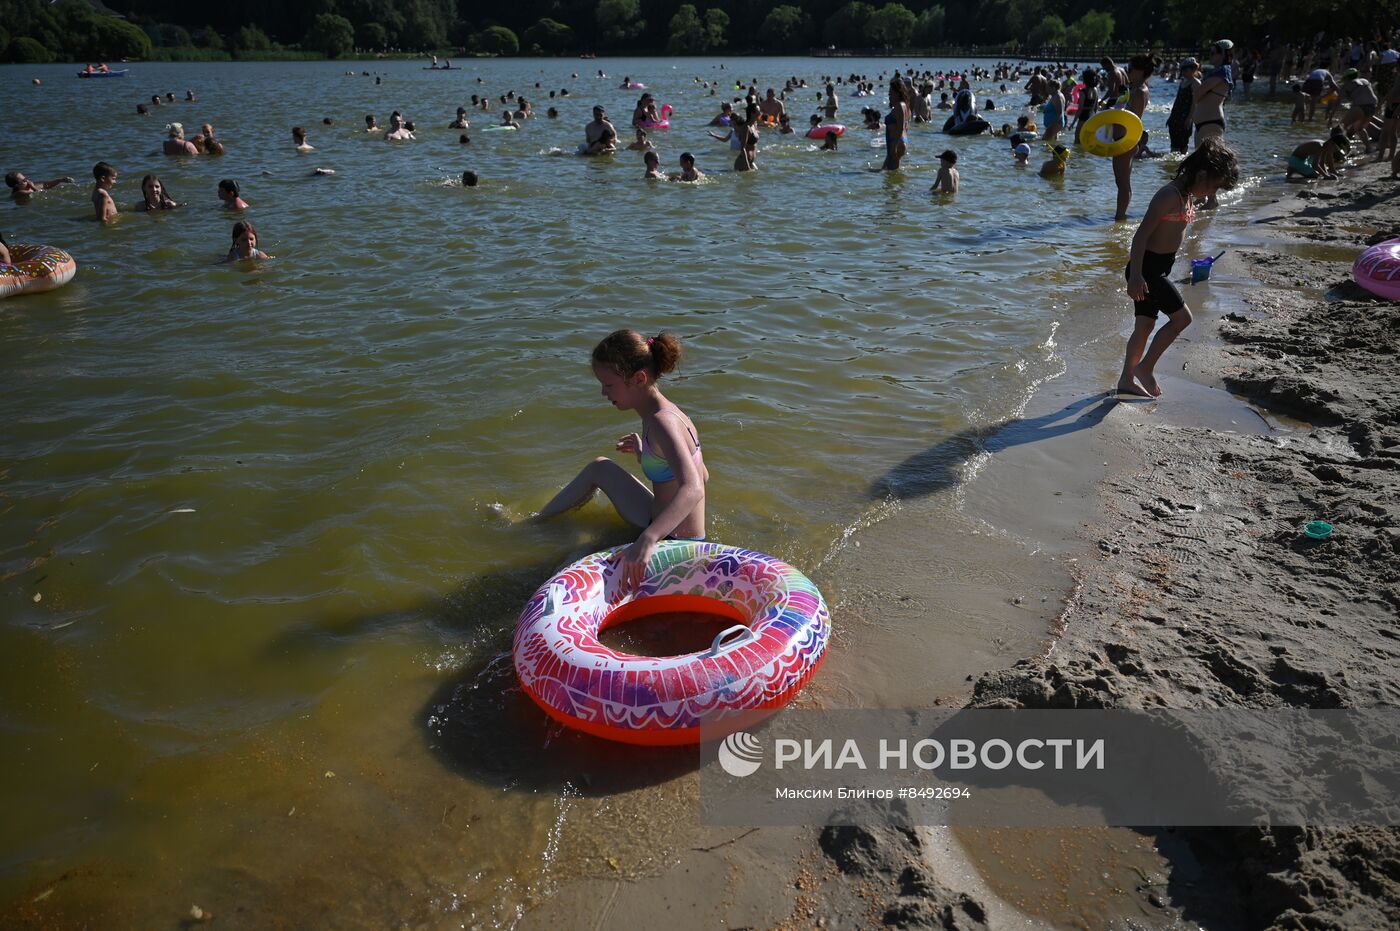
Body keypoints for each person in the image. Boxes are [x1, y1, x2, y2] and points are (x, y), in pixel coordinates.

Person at [535, 330, 708, 591]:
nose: (603, 392)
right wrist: (647, 455)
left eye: (609, 384)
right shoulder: (666, 413)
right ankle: (538, 523)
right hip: (662, 523)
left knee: (568, 565)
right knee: (600, 468)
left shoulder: (663, 422)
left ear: (638, 378)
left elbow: (694, 487)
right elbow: (703, 473)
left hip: (676, 543)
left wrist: (648, 540)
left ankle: (540, 531)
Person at [1119, 139, 1240, 398]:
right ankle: (1145, 368)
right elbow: (1140, 237)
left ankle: (1126, 380)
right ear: (1201, 173)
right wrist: (1137, 276)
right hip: (1147, 269)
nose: (1210, 194)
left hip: (1158, 269)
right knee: (1182, 319)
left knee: (1144, 327)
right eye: (1212, 187)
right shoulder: (1169, 195)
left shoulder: (1187, 195)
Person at [1113, 54, 1161, 221]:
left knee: (1123, 182)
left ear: (1141, 71)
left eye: (1130, 69)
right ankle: (1120, 216)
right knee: (1120, 182)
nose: (1127, 72)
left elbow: (1135, 119)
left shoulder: (1140, 92)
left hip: (1126, 140)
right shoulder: (1133, 88)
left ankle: (1119, 218)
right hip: (1120, 140)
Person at [1193, 40, 1234, 147]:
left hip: (1210, 123)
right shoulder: (1217, 71)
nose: (1210, 56)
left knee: (1208, 162)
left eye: (1213, 53)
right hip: (1205, 123)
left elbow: (1197, 94)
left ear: (1222, 54)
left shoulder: (1223, 71)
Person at [1284, 129, 1349, 179]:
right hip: (1295, 160)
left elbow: (1322, 163)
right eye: (1335, 149)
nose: (1333, 151)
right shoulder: (1319, 146)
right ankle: (1293, 169)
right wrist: (1326, 176)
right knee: (1315, 175)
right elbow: (1315, 165)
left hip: (1305, 159)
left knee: (1319, 173)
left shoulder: (1325, 146)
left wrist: (1327, 175)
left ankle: (1296, 169)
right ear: (1331, 143)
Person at [1166, 59, 1199, 153]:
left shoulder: (1196, 83)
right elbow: (1177, 100)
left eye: (1186, 70)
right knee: (1174, 144)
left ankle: (1182, 162)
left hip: (1185, 117)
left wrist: (1189, 118)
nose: (1183, 72)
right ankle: (1172, 165)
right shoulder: (1183, 82)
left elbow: (1195, 103)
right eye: (1182, 70)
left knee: (1183, 143)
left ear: (1193, 69)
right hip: (1175, 116)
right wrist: (1171, 117)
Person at [882, 76, 912, 171]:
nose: (889, 97)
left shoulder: (900, 106)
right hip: (898, 141)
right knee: (886, 171)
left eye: (891, 94)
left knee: (891, 173)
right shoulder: (904, 106)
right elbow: (906, 127)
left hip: (896, 142)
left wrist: (894, 146)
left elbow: (901, 128)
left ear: (898, 93)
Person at [5, 171, 75, 202]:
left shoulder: (27, 187)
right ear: (17, 185)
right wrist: (32, 187)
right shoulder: (19, 193)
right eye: (24, 180)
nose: (28, 180)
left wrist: (61, 180)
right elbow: (37, 193)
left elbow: (45, 185)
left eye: (26, 178)